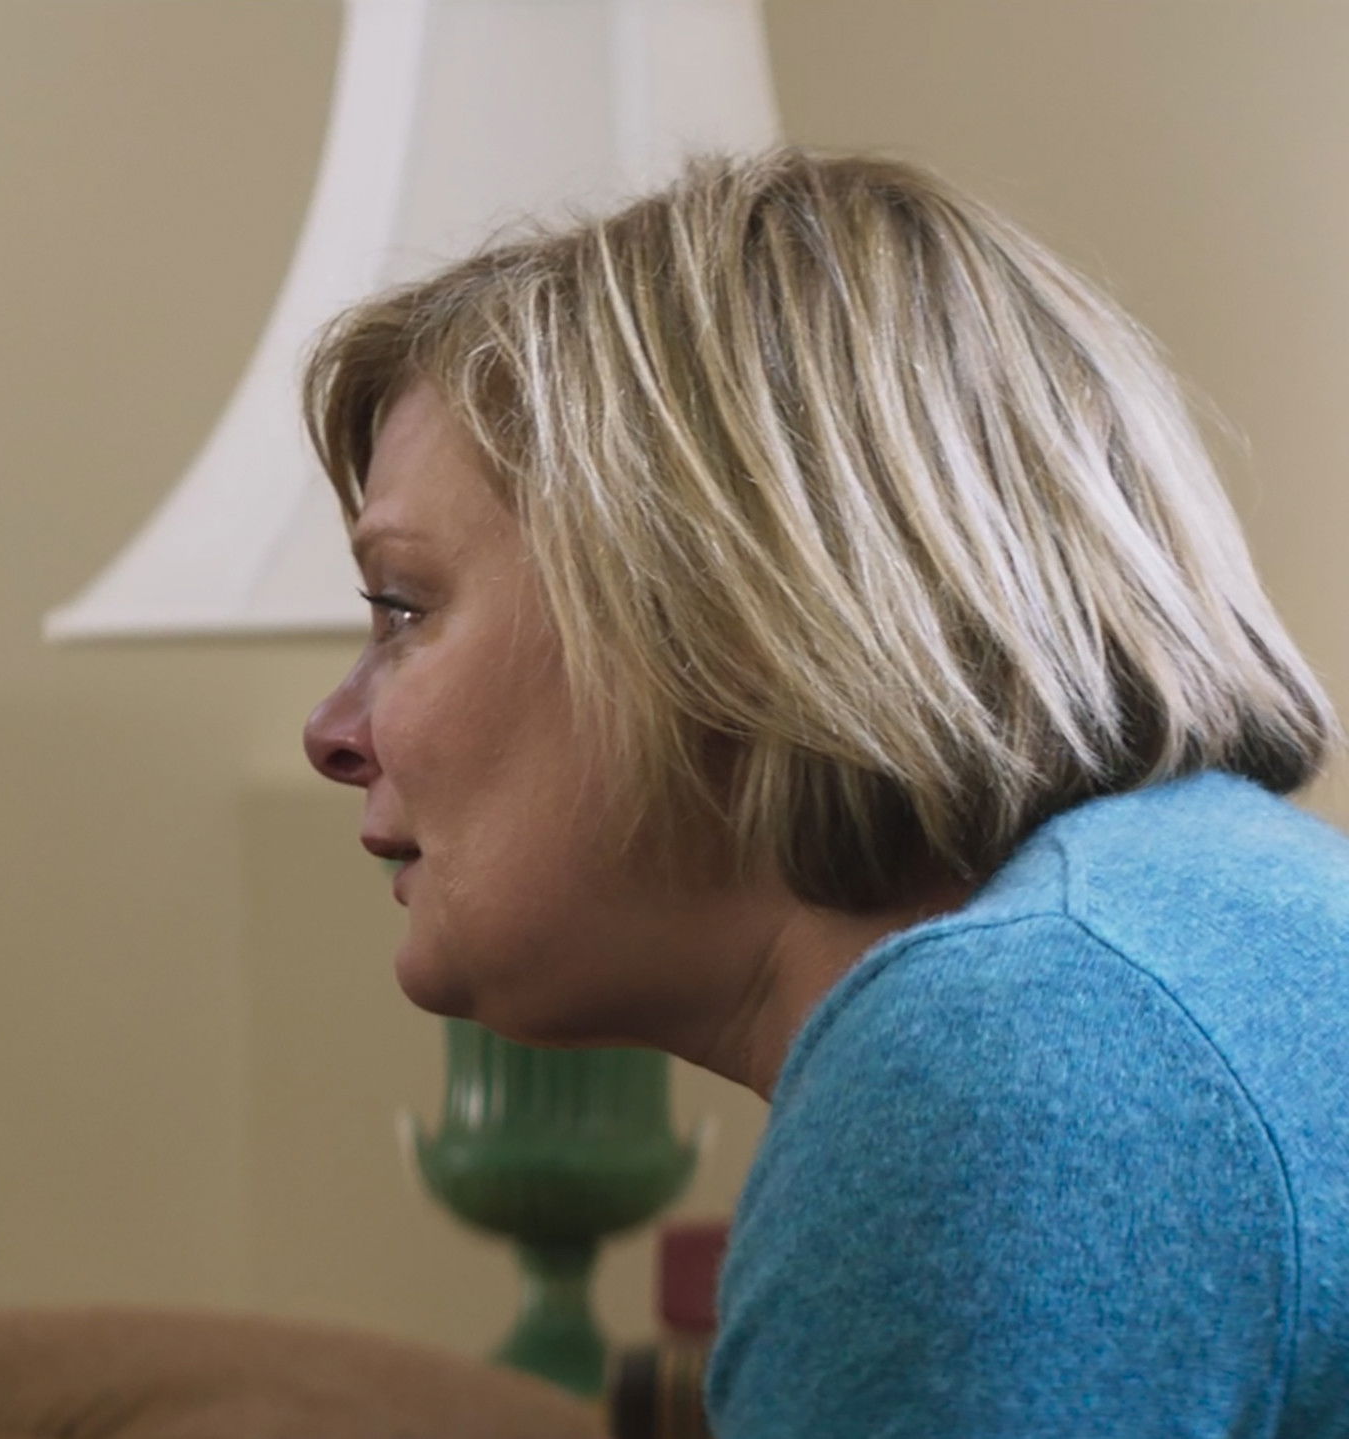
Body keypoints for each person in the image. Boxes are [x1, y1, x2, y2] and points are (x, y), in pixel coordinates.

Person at [299, 149, 1349, 1434]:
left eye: (404, 607)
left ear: (721, 620)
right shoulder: (1205, 939)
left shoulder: (1014, 1059)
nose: (330, 733)